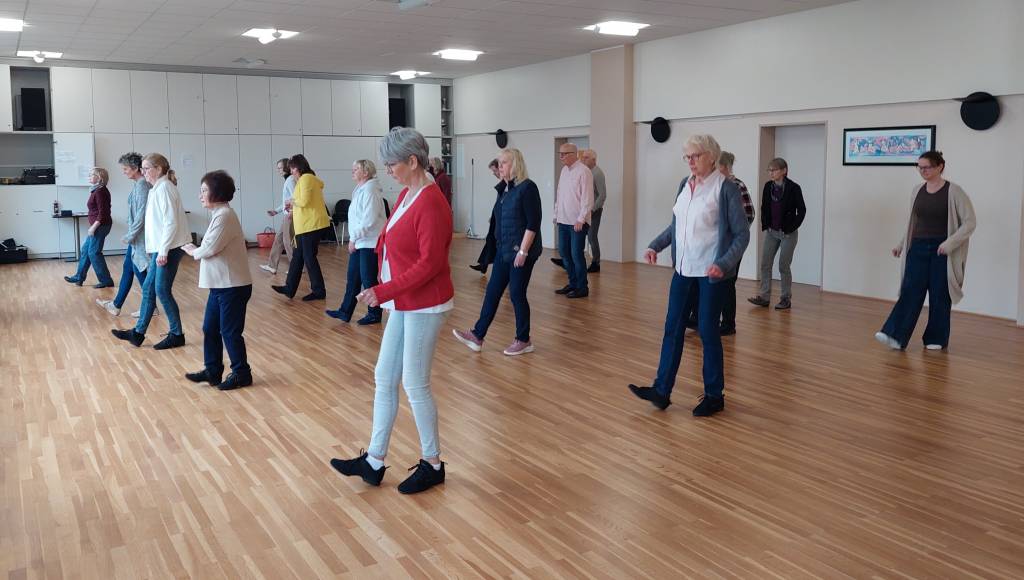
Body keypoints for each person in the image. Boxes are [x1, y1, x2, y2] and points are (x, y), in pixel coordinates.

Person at [330, 127, 453, 495]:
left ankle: (433, 464)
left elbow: (431, 263)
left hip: (425, 303)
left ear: (412, 161)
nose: (387, 170)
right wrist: (385, 286)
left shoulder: (431, 202)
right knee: (385, 376)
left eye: (391, 164)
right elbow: (390, 240)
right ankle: (374, 460)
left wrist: (383, 290)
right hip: (403, 300)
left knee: (415, 383)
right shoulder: (406, 194)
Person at [628, 134, 749, 417]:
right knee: (673, 328)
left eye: (695, 156)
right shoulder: (685, 184)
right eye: (687, 157)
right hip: (683, 271)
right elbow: (676, 226)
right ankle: (661, 391)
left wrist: (723, 263)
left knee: (708, 331)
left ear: (711, 156)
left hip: (710, 274)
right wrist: (655, 245)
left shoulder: (726, 188)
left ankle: (714, 396)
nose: (690, 162)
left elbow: (742, 235)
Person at [875, 151, 976, 351]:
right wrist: (901, 244)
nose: (922, 171)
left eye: (927, 167)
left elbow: (970, 222)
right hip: (918, 247)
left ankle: (936, 338)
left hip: (942, 250)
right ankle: (895, 335)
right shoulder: (917, 191)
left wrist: (949, 243)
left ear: (940, 167)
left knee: (940, 294)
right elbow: (913, 223)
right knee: (910, 291)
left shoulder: (954, 192)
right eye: (919, 167)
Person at [453, 148, 542, 356]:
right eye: (499, 163)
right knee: (492, 292)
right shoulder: (506, 189)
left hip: (521, 251)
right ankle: (477, 335)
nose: (499, 167)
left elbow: (533, 223)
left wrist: (523, 252)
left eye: (504, 163)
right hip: (504, 250)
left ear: (515, 164)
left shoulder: (528, 188)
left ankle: (524, 340)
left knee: (517, 294)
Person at [182, 170, 254, 390]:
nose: (200, 195)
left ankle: (242, 373)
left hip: (233, 286)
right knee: (210, 328)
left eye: (204, 190)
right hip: (221, 285)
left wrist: (193, 250)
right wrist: (198, 249)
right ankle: (213, 371)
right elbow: (210, 246)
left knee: (230, 332)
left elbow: (210, 248)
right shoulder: (219, 214)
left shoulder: (225, 216)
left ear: (217, 192)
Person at [111, 153, 190, 349]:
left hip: (169, 248)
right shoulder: (157, 188)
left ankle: (177, 334)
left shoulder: (165, 188)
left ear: (159, 169)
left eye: (147, 168)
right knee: (148, 287)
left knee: (161, 290)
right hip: (162, 248)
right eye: (143, 168)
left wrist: (162, 251)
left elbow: (170, 223)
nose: (143, 171)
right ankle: (138, 333)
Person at [684, 151, 755, 335]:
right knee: (703, 281)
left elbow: (749, 214)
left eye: (717, 167)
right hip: (710, 246)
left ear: (725, 167)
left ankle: (728, 323)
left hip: (731, 247)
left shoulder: (736, 186)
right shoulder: (709, 185)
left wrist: (730, 234)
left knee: (727, 284)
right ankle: (697, 317)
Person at [326, 159, 386, 325]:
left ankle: (374, 314)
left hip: (370, 243)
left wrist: (353, 239)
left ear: (366, 172)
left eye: (356, 168)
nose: (352, 171)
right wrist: (355, 239)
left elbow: (369, 220)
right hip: (360, 241)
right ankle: (345, 311)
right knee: (353, 278)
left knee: (368, 280)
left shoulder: (370, 190)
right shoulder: (360, 189)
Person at [97, 153, 152, 316]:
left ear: (135, 168)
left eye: (126, 169)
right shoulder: (138, 184)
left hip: (139, 237)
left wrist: (130, 235)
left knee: (138, 269)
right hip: (136, 236)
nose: (124, 172)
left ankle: (149, 306)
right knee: (129, 268)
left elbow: (141, 214)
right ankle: (117, 305)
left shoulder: (142, 186)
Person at [748, 157, 805, 310]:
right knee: (765, 264)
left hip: (788, 233)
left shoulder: (794, 188)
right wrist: (765, 224)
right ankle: (764, 297)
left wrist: (792, 227)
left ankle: (785, 299)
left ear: (784, 171)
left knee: (783, 266)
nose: (771, 173)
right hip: (772, 232)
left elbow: (802, 211)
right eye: (769, 170)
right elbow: (764, 207)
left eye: (774, 170)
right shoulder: (768, 187)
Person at [272, 154, 330, 301]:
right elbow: (304, 202)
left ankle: (319, 291)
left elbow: (303, 202)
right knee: (298, 256)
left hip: (311, 225)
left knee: (309, 258)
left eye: (292, 168)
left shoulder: (306, 179)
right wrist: (293, 207)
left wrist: (291, 203)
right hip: (305, 225)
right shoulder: (307, 179)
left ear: (298, 167)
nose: (291, 171)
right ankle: (289, 288)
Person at [553, 143, 594, 298]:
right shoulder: (564, 171)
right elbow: (560, 194)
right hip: (563, 220)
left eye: (563, 154)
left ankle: (582, 287)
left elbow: (588, 198)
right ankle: (573, 283)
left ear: (573, 154)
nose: (561, 157)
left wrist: (581, 219)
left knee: (576, 255)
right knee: (564, 252)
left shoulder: (584, 171)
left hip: (577, 222)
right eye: (560, 153)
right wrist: (556, 214)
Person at [64, 167, 114, 288]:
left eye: (92, 175)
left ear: (100, 178)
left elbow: (103, 213)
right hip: (98, 225)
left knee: (94, 253)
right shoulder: (96, 190)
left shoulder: (100, 191)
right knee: (86, 250)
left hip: (101, 226)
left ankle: (106, 280)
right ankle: (79, 277)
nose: (89, 176)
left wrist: (93, 227)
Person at [259, 158, 295, 275]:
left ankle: (296, 267)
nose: (278, 170)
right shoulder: (288, 180)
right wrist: (276, 211)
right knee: (278, 240)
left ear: (286, 167)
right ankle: (272, 266)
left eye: (280, 168)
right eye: (278, 168)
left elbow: (295, 198)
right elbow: (286, 201)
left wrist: (291, 212)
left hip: (290, 216)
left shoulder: (290, 180)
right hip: (287, 215)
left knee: (287, 242)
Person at [469, 158, 504, 275]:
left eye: (494, 171)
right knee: (490, 240)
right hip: (497, 218)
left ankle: (484, 266)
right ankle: (483, 265)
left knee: (492, 241)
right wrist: (493, 216)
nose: (494, 174)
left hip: (501, 221)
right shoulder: (502, 184)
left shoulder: (506, 184)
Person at [579, 149, 606, 273]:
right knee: (578, 235)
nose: (583, 159)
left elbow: (602, 195)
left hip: (594, 211)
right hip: (584, 211)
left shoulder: (597, 173)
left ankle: (596, 262)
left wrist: (592, 209)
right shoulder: (586, 172)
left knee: (591, 237)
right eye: (583, 157)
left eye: (586, 157)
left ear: (593, 160)